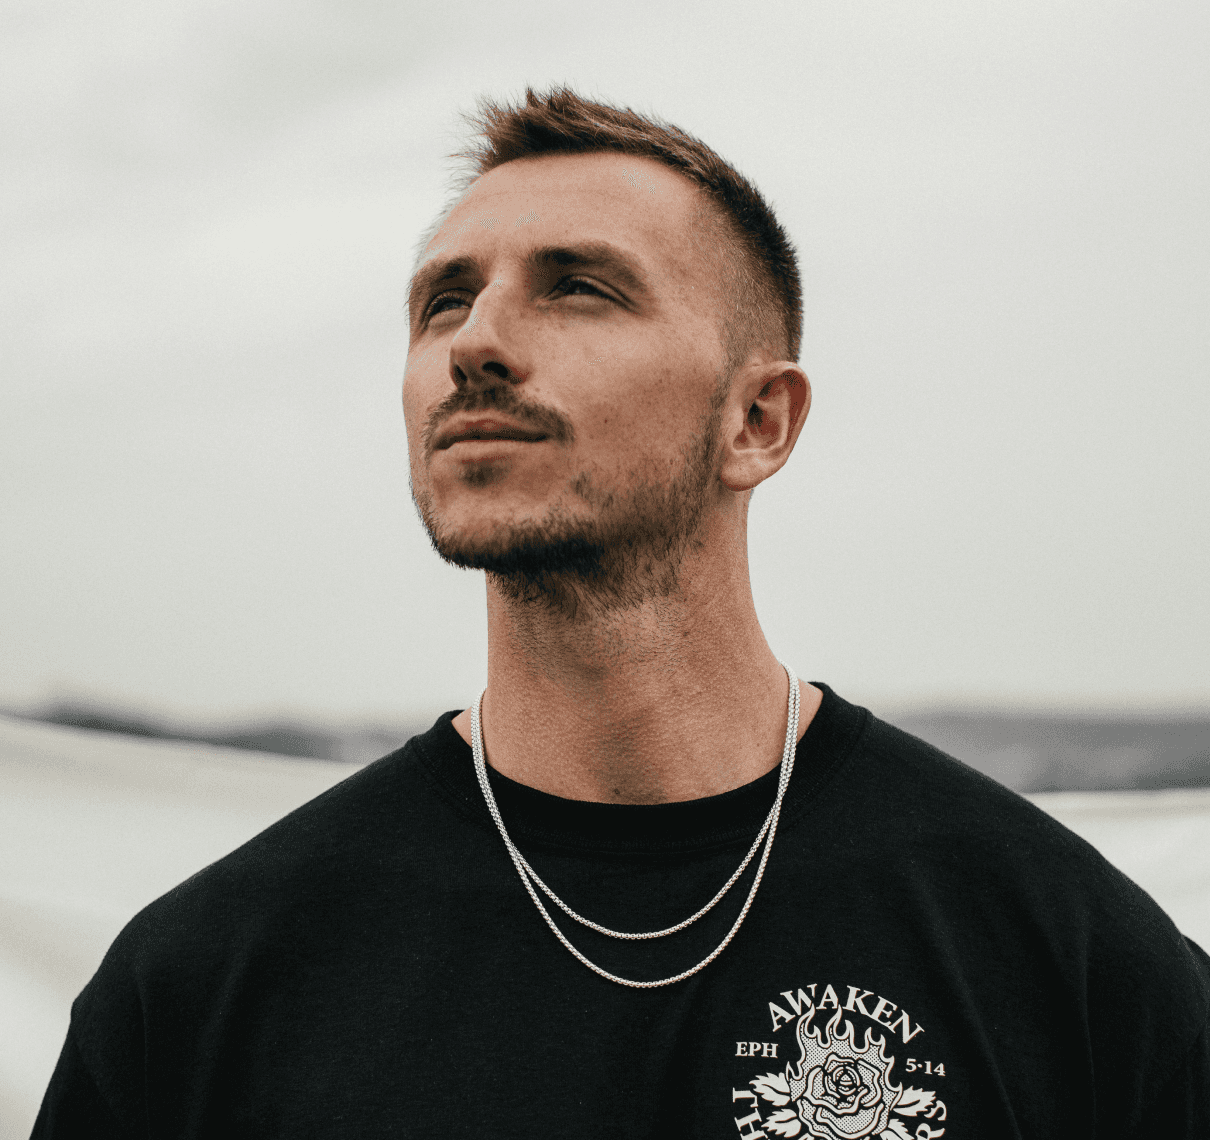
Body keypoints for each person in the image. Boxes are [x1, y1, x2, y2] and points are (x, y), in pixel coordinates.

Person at [33, 87, 1208, 1139]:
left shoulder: (1064, 956)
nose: (476, 343)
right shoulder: (201, 984)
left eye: (579, 288)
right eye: (444, 301)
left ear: (758, 422)